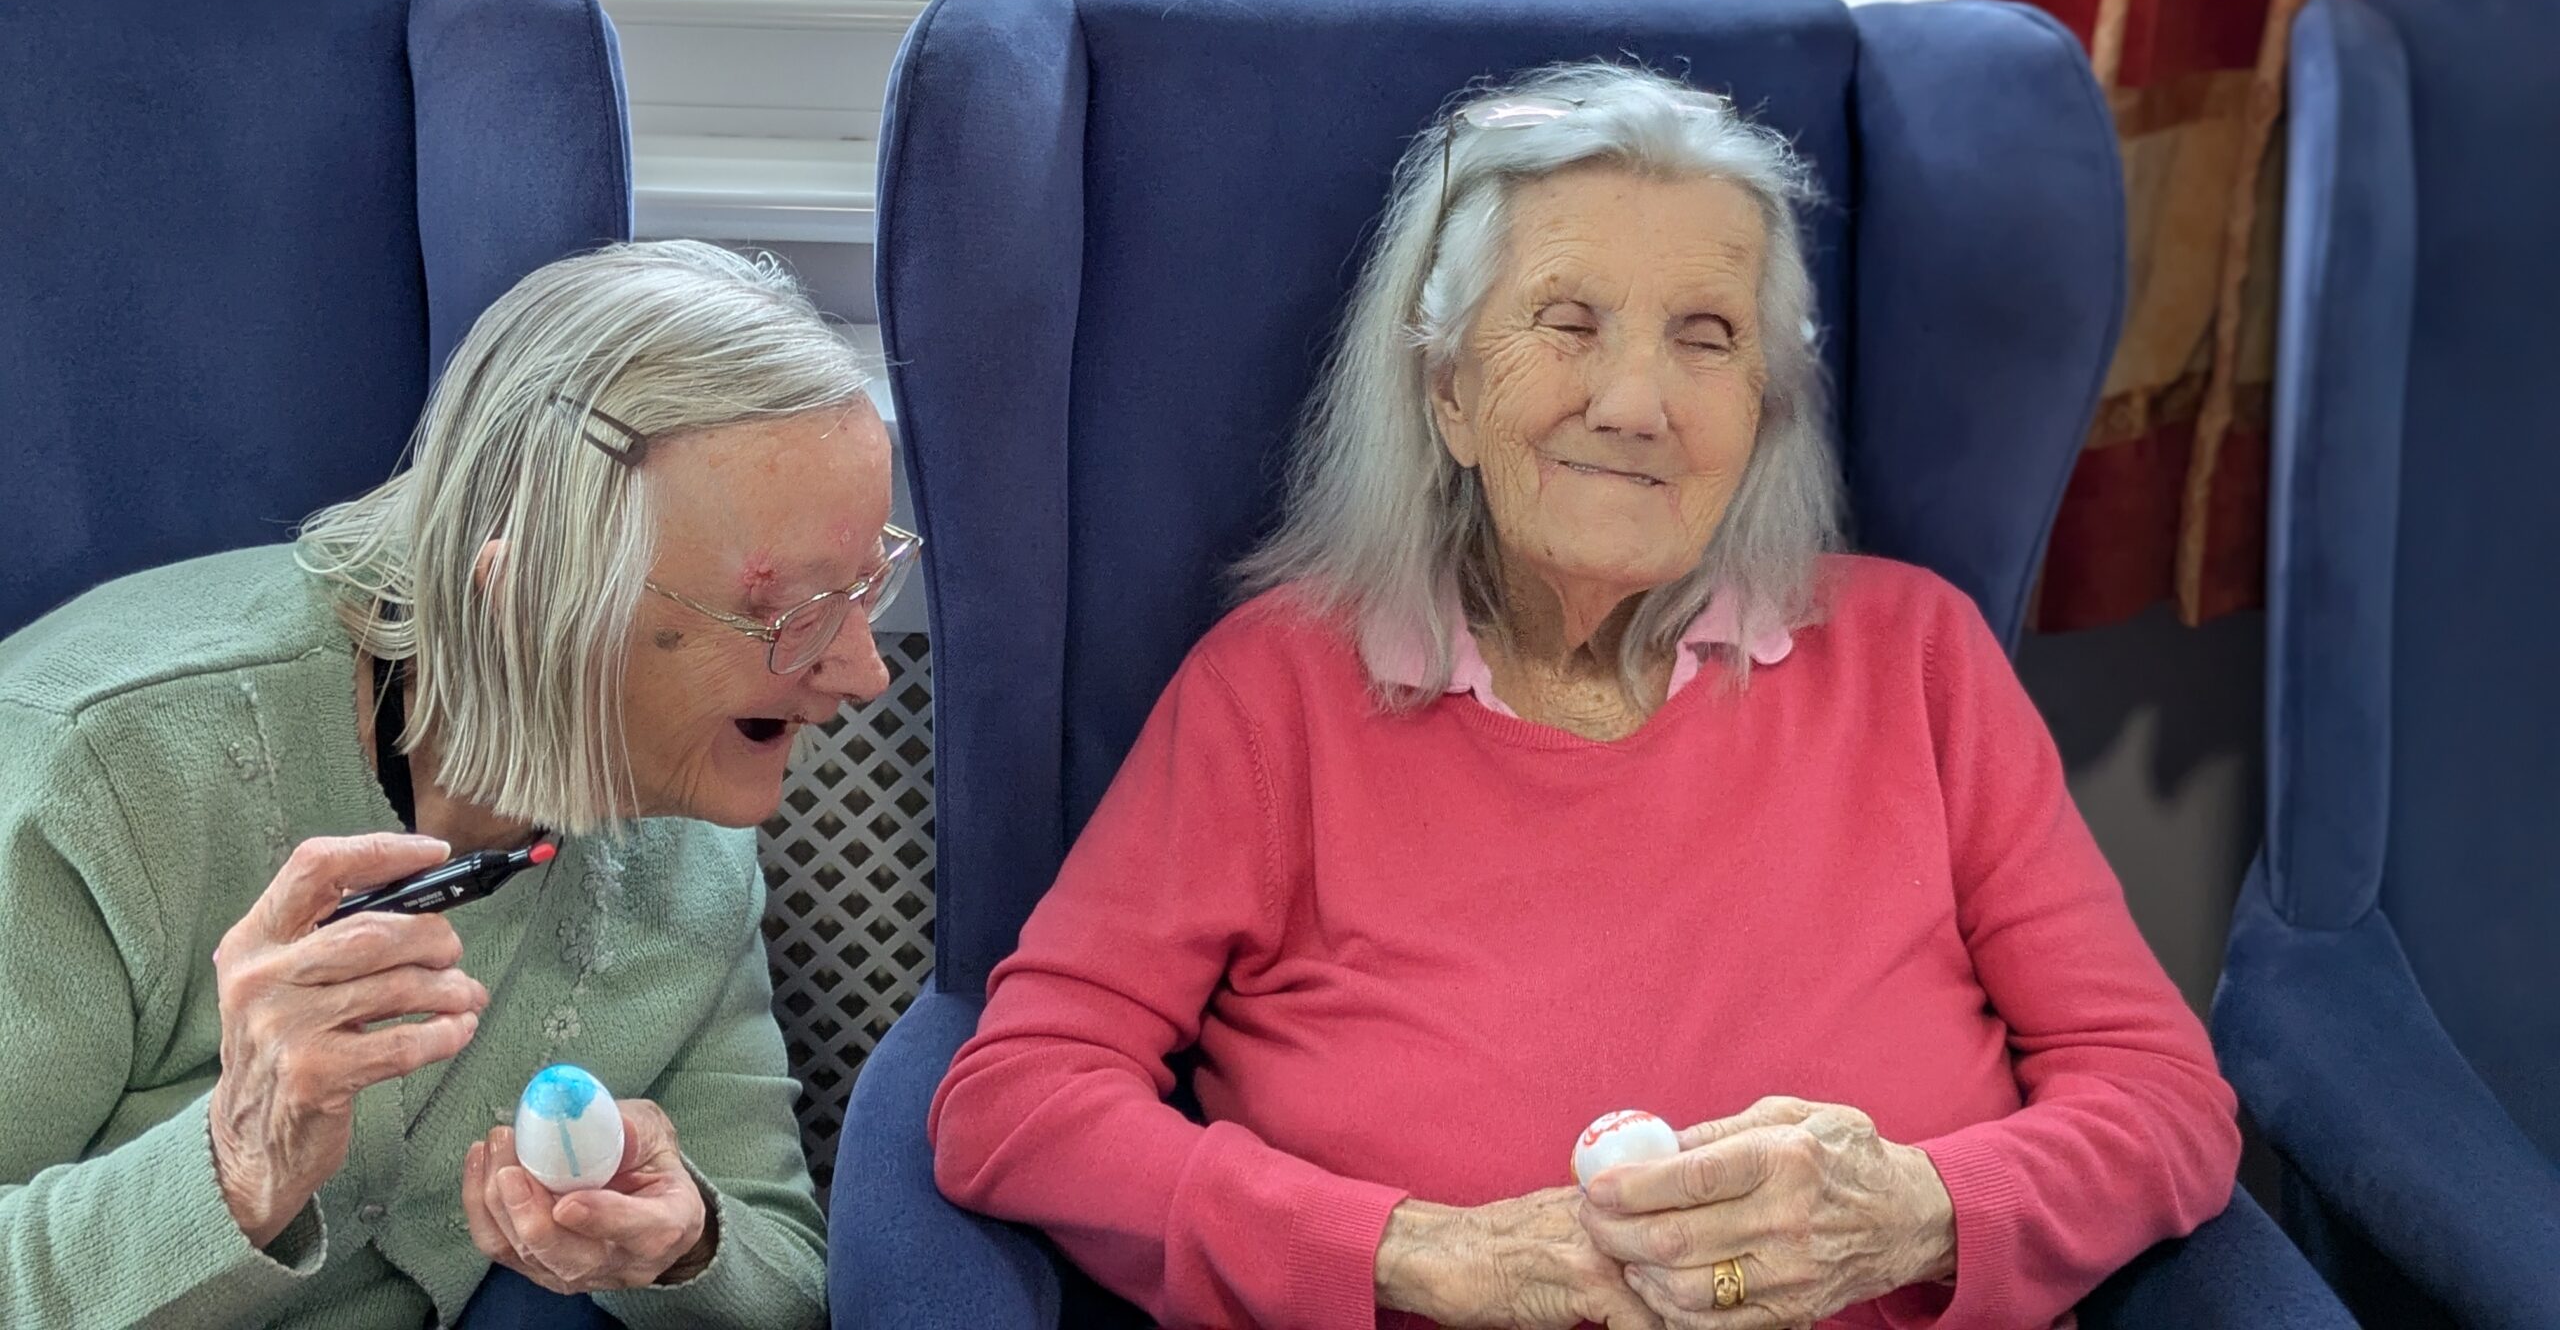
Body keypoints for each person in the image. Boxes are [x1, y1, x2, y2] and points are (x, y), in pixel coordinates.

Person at [928, 65, 2240, 1330]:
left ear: (1765, 409)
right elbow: (1022, 1099)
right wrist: (1414, 1253)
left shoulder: (1919, 661)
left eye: (1706, 337)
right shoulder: (1279, 688)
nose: (1634, 404)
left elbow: (2164, 1102)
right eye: (1569, 323)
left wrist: (1917, 1210)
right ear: (1447, 391)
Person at [0, 240, 917, 1329]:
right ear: (526, 603)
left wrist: (686, 1245)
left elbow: (782, 1275)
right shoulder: (97, 769)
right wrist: (234, 1167)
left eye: (866, 584)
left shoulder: (687, 825)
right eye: (790, 613)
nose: (865, 673)